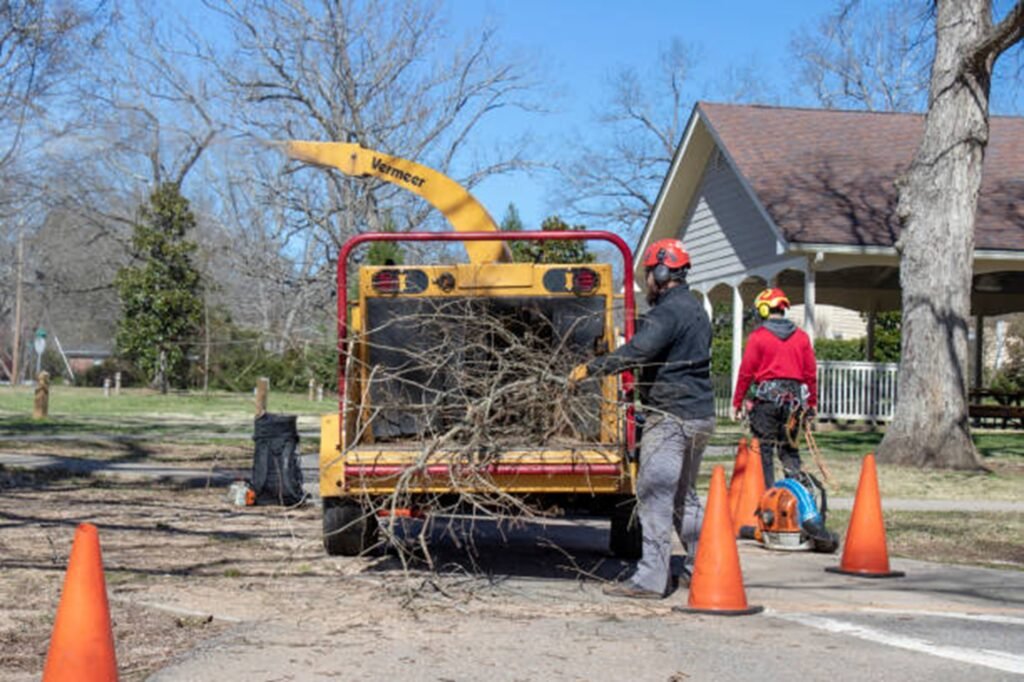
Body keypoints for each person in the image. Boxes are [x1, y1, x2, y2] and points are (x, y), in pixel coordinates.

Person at [567, 238, 715, 600]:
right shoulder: (697, 310)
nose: (647, 280)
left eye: (649, 273)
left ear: (662, 273)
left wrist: (592, 368)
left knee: (654, 494)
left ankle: (650, 579)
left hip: (670, 417)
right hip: (700, 416)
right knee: (685, 497)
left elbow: (638, 351)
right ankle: (704, 567)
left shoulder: (667, 313)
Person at [731, 287, 818, 486]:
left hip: (767, 403)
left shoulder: (758, 337)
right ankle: (796, 497)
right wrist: (812, 403)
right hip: (794, 405)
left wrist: (737, 402)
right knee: (789, 451)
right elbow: (810, 374)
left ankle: (767, 498)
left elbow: (746, 372)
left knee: (764, 451)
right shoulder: (802, 337)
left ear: (763, 310)